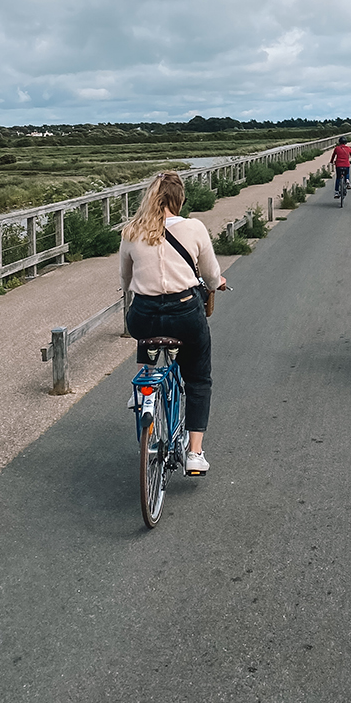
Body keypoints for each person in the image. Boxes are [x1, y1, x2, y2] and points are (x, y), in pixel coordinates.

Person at [121, 171, 225, 475]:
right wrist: (217, 282)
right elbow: (209, 274)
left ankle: (145, 385)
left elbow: (126, 281)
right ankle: (195, 453)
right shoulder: (194, 228)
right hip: (185, 315)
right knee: (198, 378)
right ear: (179, 199)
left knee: (147, 326)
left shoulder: (131, 232)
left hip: (143, 317)